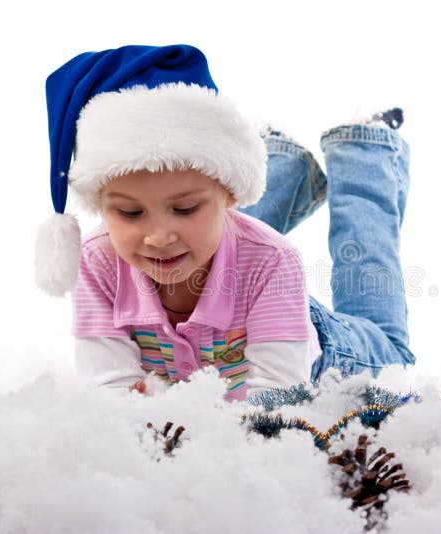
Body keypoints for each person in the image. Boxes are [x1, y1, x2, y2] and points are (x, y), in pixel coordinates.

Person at [35, 44, 415, 401]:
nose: (159, 236)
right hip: (242, 292)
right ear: (100, 205)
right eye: (130, 213)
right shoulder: (97, 261)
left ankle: (366, 155)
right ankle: (277, 156)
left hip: (321, 349)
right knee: (208, 237)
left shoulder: (273, 260)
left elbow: (276, 402)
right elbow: (111, 392)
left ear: (232, 191)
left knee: (389, 342)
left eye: (184, 208)